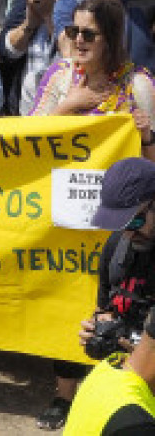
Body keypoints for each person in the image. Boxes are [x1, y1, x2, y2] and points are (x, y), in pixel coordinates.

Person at [59, 159, 155, 433]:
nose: (128, 232)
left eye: (135, 220)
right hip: (129, 388)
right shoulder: (118, 247)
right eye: (119, 223)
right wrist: (98, 328)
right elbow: (108, 307)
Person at [31, 0, 155, 145]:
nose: (78, 39)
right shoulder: (59, 74)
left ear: (109, 39)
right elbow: (31, 137)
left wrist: (146, 136)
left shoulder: (138, 84)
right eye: (73, 31)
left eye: (88, 34)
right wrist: (68, 105)